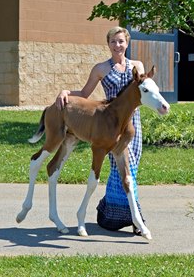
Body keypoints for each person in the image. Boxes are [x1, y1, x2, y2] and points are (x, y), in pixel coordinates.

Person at [55, 26, 145, 235]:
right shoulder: (101, 68)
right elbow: (85, 93)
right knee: (118, 170)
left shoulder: (138, 66)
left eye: (121, 41)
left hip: (133, 124)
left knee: (131, 169)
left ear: (127, 42)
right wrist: (65, 91)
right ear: (108, 44)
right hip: (107, 126)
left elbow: (145, 90)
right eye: (113, 41)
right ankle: (121, 216)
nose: (117, 45)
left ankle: (125, 215)